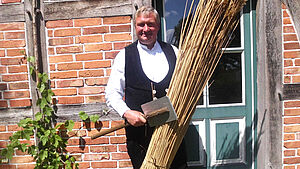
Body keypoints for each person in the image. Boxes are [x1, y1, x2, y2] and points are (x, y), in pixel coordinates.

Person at [105, 6, 187, 169]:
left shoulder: (174, 52)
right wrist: (126, 112)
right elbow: (112, 92)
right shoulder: (124, 56)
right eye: (141, 24)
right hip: (139, 137)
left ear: (157, 26)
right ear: (135, 26)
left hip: (172, 134)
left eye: (150, 24)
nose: (145, 29)